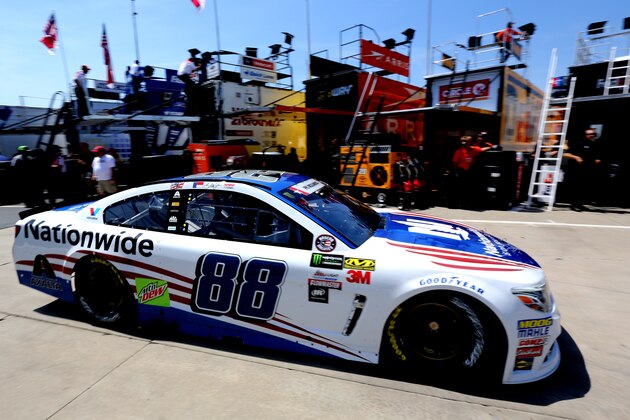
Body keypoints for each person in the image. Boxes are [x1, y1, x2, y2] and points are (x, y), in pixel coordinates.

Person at [563, 128, 602, 211]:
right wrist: (576, 157)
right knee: (576, 187)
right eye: (589, 134)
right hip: (577, 170)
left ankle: (580, 204)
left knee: (584, 188)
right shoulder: (579, 143)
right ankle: (574, 205)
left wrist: (598, 159)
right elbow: (566, 154)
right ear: (585, 135)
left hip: (589, 170)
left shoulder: (595, 145)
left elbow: (598, 156)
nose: (591, 135)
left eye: (593, 134)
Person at [451, 135, 491, 208]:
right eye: (465, 142)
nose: (467, 143)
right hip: (461, 171)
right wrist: (456, 172)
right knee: (460, 188)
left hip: (469, 172)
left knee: (468, 188)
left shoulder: (473, 149)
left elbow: (481, 149)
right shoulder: (459, 151)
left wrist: (491, 147)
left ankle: (467, 203)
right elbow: (454, 162)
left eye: (469, 142)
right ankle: (459, 203)